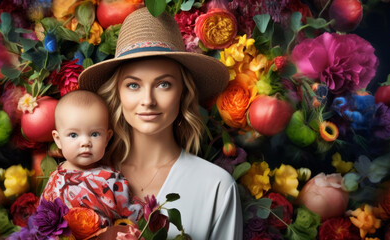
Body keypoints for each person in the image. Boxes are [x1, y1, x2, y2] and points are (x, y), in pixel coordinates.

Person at [78, 7, 243, 239]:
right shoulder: (82, 179)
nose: (148, 101)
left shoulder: (216, 187)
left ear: (183, 92)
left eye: (163, 84)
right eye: (133, 85)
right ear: (117, 93)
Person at [41, 90, 142, 227]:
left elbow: (131, 215)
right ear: (58, 140)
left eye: (94, 134)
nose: (85, 143)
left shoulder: (111, 179)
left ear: (107, 138)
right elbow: (42, 220)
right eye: (73, 135)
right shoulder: (55, 181)